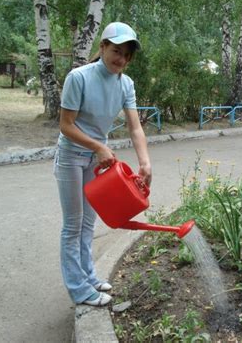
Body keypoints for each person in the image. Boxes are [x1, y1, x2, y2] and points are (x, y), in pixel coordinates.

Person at [53, 22, 152, 307]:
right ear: (102, 47)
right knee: (73, 225)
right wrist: (98, 146)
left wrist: (145, 163)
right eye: (116, 51)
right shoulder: (79, 77)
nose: (120, 59)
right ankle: (79, 290)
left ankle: (89, 276)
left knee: (88, 222)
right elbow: (66, 126)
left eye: (126, 55)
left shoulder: (126, 83)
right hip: (72, 156)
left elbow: (135, 128)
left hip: (96, 162)